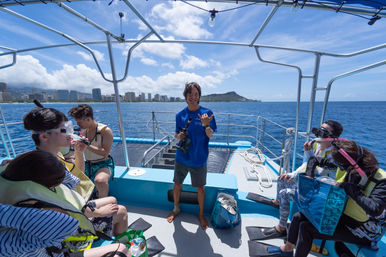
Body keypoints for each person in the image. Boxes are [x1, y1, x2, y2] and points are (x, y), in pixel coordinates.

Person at [0, 150, 130, 257]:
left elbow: (72, 182)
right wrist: (98, 213)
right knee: (122, 250)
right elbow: (70, 217)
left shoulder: (13, 204)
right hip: (56, 251)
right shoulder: (46, 219)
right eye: (50, 190)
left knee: (112, 200)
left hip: (49, 247)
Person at [269, 140, 386, 257]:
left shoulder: (381, 179)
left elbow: (375, 209)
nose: (343, 170)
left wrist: (348, 187)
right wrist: (310, 175)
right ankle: (287, 249)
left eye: (343, 167)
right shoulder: (348, 165)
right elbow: (314, 160)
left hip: (362, 230)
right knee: (298, 217)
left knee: (306, 228)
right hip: (342, 217)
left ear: (354, 164)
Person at [23, 107, 127, 237]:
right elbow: (71, 207)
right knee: (121, 211)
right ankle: (117, 245)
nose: (70, 132)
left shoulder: (54, 156)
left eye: (69, 127)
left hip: (74, 209)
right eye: (64, 129)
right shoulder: (50, 170)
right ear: (44, 136)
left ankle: (107, 230)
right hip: (71, 226)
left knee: (112, 199)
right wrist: (99, 213)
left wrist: (79, 152)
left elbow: (77, 173)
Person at [255, 120, 343, 240]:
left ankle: (281, 228)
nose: (318, 134)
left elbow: (320, 172)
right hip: (311, 182)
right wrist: (294, 173)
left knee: (284, 193)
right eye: (319, 129)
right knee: (282, 179)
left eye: (323, 132)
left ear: (332, 137)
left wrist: (307, 156)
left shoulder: (334, 154)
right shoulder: (317, 145)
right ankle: (278, 203)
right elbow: (308, 163)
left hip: (320, 191)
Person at [167, 82, 217, 229]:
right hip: (182, 157)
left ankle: (201, 215)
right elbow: (177, 133)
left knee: (200, 188)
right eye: (190, 94)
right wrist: (179, 136)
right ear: (185, 96)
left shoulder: (207, 113)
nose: (193, 97)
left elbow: (210, 134)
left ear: (199, 96)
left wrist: (206, 125)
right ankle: (176, 209)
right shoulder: (180, 115)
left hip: (199, 158)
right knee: (177, 184)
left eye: (196, 94)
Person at [68, 104, 114, 198]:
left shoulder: (105, 131)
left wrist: (87, 145)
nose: (78, 125)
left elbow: (105, 152)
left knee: (100, 181)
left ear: (88, 119)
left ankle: (103, 202)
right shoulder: (83, 131)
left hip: (103, 163)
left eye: (79, 122)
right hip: (87, 164)